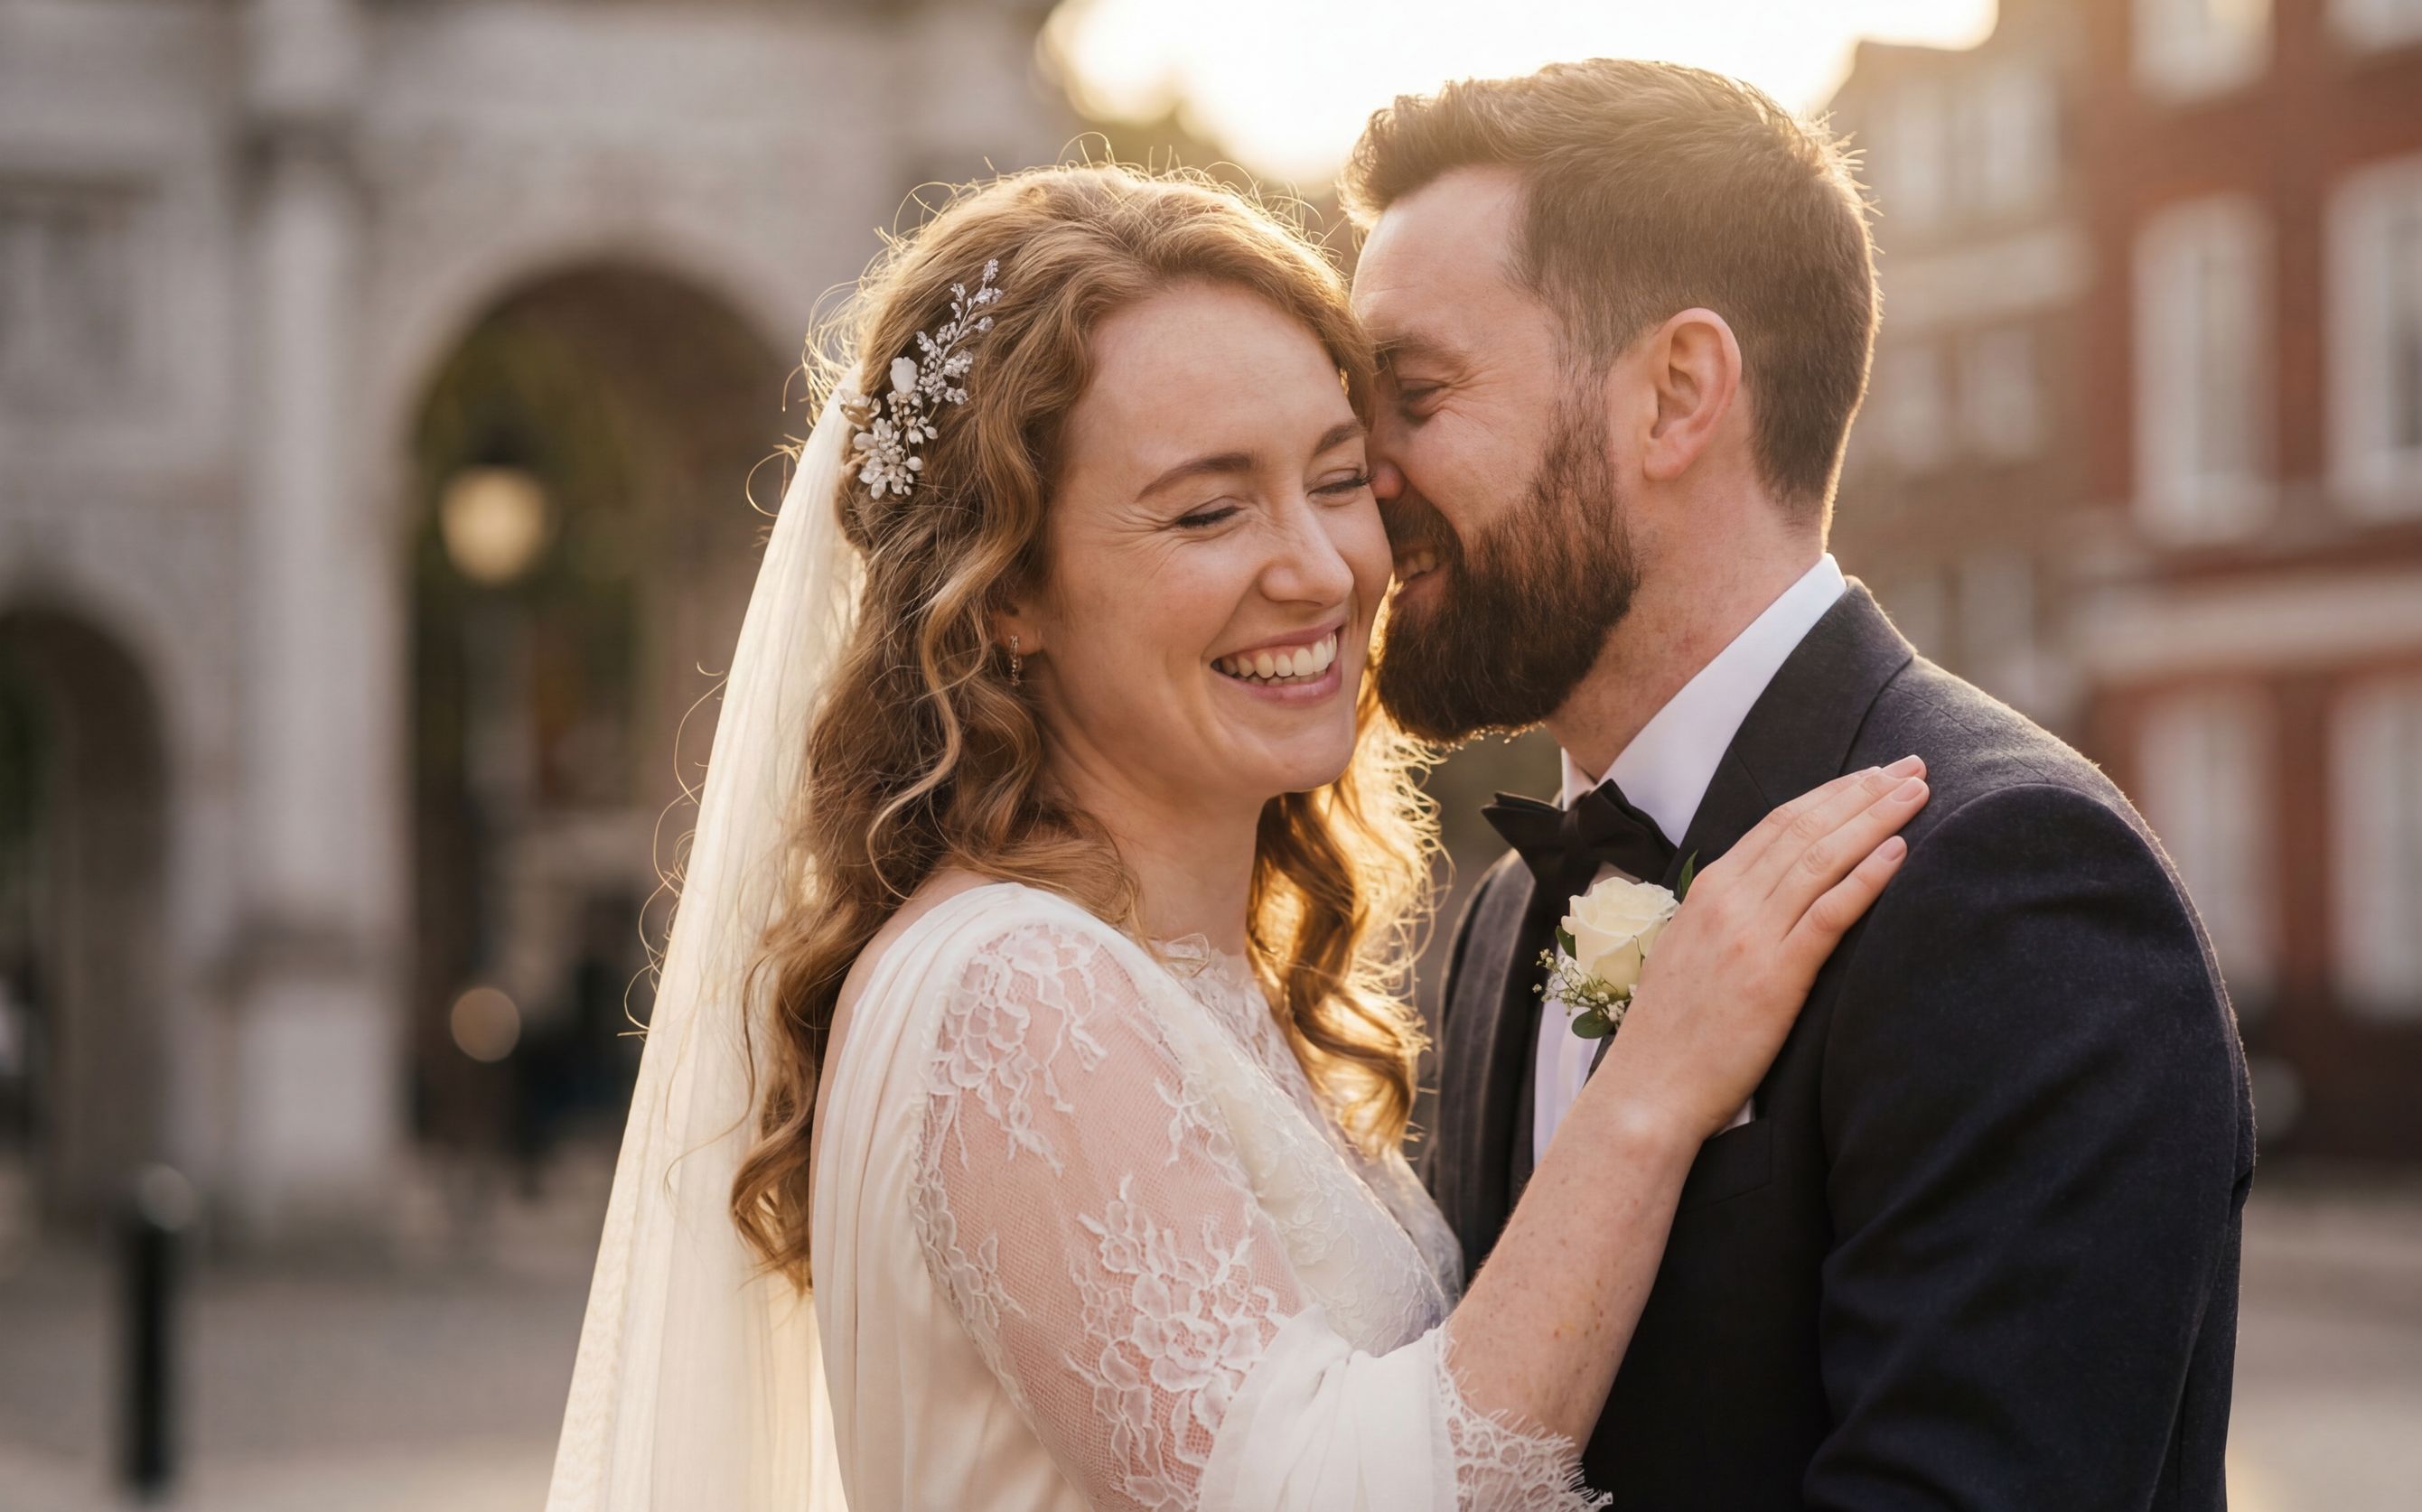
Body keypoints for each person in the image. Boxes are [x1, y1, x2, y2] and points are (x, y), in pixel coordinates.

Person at [545, 163, 1925, 1512]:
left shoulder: (1149, 971)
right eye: (1209, 509)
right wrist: (1652, 1089)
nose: (1319, 570)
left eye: (1339, 481)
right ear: (1005, 590)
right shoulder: (1016, 989)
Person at [1345, 60, 2255, 1509]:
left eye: (1412, 394)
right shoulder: (1519, 909)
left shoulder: (2013, 891)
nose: (1354, 474)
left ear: (1677, 393)